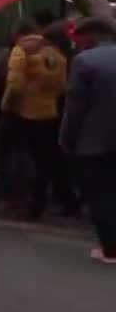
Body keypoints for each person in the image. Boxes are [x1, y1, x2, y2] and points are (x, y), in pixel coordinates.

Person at [1, 18, 73, 219]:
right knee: (46, 160)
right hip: (49, 112)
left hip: (24, 113)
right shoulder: (55, 53)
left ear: (18, 34)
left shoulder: (21, 51)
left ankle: (22, 202)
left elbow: (14, 85)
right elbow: (61, 87)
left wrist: (6, 107)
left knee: (15, 156)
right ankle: (44, 203)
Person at [59, 17, 116, 264]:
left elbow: (75, 107)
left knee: (101, 194)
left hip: (96, 141)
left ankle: (111, 249)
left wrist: (67, 139)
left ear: (91, 36)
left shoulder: (85, 61)